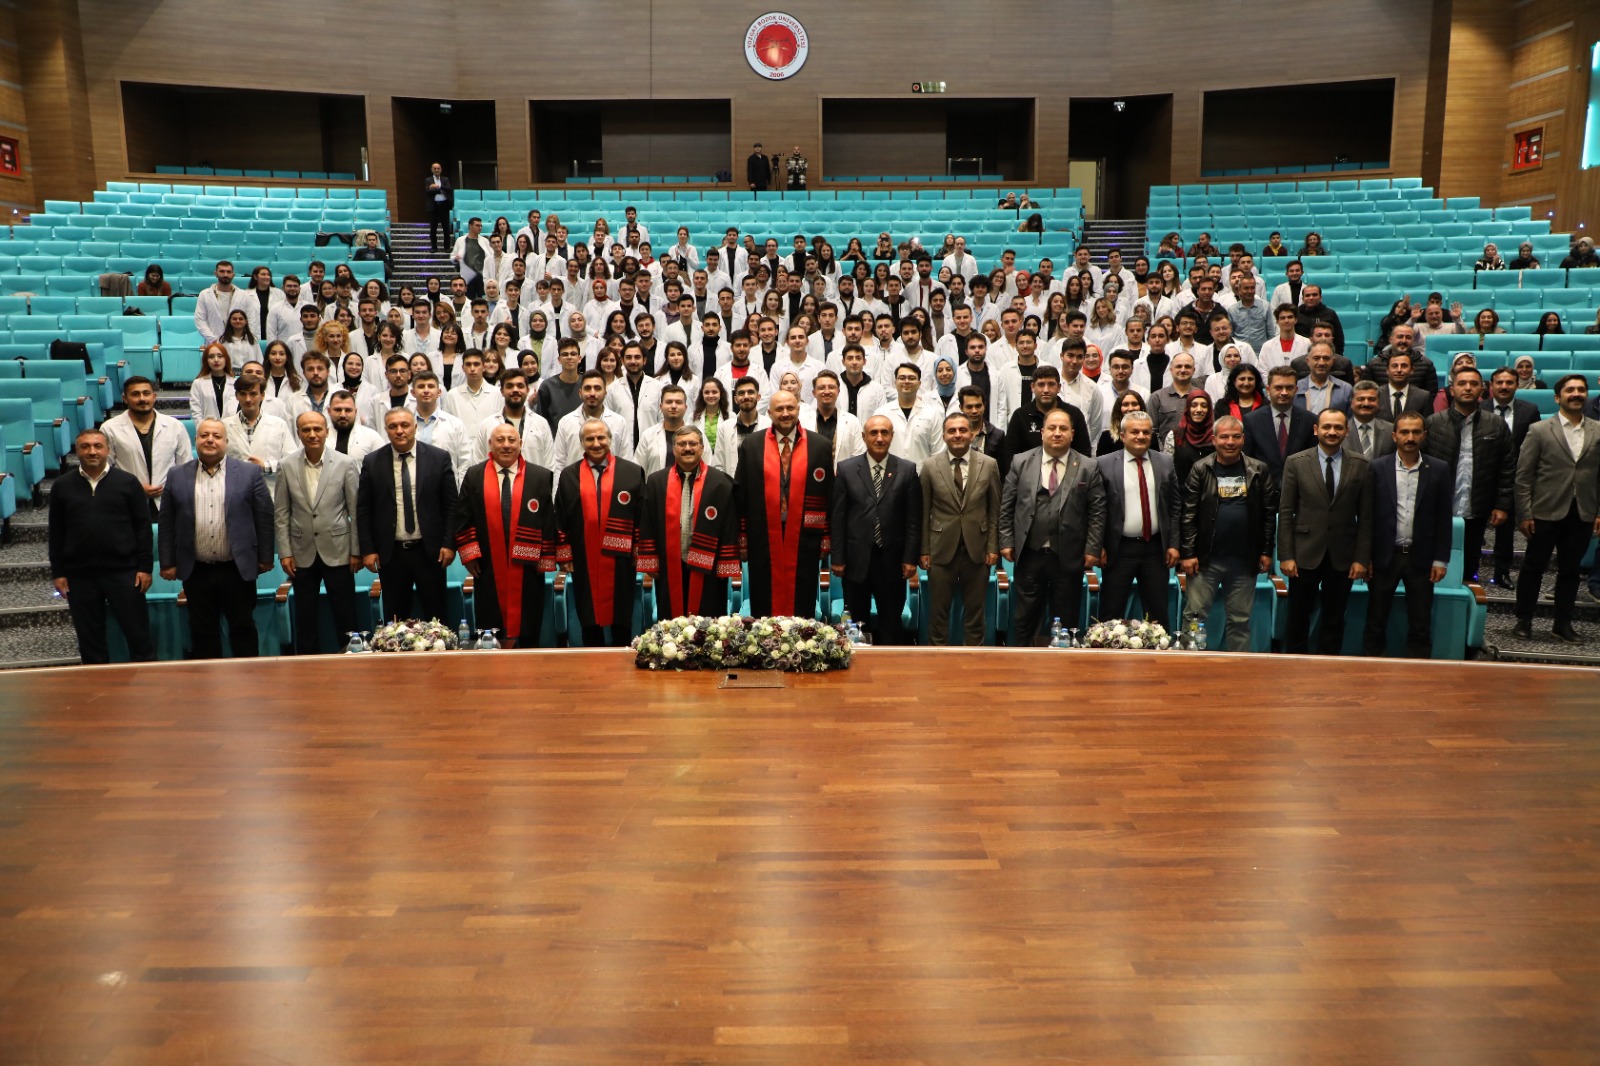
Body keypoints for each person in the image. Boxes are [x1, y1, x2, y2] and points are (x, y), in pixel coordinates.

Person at [157, 418, 275, 659]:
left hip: (236, 568)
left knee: (242, 627)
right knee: (203, 632)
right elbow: (167, 522)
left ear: (226, 442)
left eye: (216, 436)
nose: (210, 440)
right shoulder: (177, 475)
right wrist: (167, 562)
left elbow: (264, 517)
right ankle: (209, 679)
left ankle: (250, 676)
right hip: (196, 569)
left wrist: (265, 557)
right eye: (204, 435)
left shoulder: (248, 473)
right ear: (196, 440)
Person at [1000, 407, 1104, 644]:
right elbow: (1007, 505)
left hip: (1069, 555)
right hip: (1030, 553)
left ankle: (1063, 663)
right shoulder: (1021, 462)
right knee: (1024, 619)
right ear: (1042, 432)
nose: (1057, 433)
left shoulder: (1088, 466)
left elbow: (1097, 511)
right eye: (1052, 428)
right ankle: (1022, 661)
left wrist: (1092, 549)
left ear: (1072, 434)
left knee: (1066, 621)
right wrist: (1006, 540)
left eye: (1063, 428)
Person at [49, 429, 154, 664]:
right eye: (85, 446)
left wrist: (145, 567)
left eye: (97, 446)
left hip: (124, 573)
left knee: (139, 637)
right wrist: (59, 572)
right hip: (80, 576)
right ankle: (95, 684)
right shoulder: (62, 486)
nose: (92, 451)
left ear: (107, 450)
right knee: (90, 642)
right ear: (77, 451)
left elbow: (142, 527)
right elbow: (56, 532)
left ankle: (148, 681)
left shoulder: (128, 482)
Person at [1278, 409, 1374, 655]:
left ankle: (1329, 664)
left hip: (1342, 555)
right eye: (1327, 427)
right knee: (1298, 616)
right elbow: (1286, 512)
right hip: (1304, 553)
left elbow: (1366, 517)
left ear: (1347, 431)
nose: (1332, 432)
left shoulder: (1361, 465)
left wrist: (1361, 559)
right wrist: (1285, 555)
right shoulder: (1296, 462)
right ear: (1316, 430)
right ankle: (1295, 663)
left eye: (1338, 427)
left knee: (1334, 617)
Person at [1513, 374, 1600, 643]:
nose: (1576, 394)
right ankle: (1524, 620)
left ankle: (1562, 624)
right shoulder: (1539, 430)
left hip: (1582, 511)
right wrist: (1524, 513)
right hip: (1544, 511)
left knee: (1571, 571)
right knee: (1533, 568)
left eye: (1581, 389)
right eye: (1570, 390)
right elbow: (1523, 476)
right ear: (1557, 397)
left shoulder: (1598, 430)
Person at [1178, 415, 1277, 652]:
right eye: (1224, 437)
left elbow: (1268, 514)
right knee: (1195, 617)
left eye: (1235, 437)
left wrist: (1266, 551)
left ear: (1243, 439)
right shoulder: (1201, 469)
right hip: (1206, 560)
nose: (1230, 442)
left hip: (1244, 559)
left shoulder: (1258, 470)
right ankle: (1190, 663)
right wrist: (1188, 553)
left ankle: (1239, 667)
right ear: (1214, 440)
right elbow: (1188, 514)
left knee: (1240, 620)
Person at [453, 423, 556, 647]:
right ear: (490, 444)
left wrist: (545, 559)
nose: (506, 445)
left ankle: (529, 662)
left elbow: (548, 520)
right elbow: (463, 517)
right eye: (500, 440)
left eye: (511, 440)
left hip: (528, 565)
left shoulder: (540, 476)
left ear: (521, 443)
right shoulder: (474, 475)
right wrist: (470, 556)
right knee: (491, 624)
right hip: (488, 562)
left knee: (529, 621)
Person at [734, 390, 833, 618]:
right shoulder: (752, 445)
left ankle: (801, 640)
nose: (785, 413)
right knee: (764, 596)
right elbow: (742, 494)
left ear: (799, 409)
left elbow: (829, 495)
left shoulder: (820, 445)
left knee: (803, 596)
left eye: (790, 408)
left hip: (806, 536)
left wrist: (826, 536)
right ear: (769, 413)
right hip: (762, 536)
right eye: (779, 409)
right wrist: (742, 537)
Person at [358, 408, 459, 623]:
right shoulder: (372, 462)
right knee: (396, 620)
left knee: (437, 618)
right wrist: (367, 549)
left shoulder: (438, 458)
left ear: (415, 427)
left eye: (404, 425)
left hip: (430, 552)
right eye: (393, 426)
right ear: (386, 430)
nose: (399, 431)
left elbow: (451, 505)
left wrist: (449, 543)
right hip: (391, 554)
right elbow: (364, 510)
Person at [1366, 412, 1453, 658]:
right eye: (1404, 432)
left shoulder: (1438, 469)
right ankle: (1371, 669)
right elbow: (1368, 517)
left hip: (1421, 558)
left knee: (1420, 623)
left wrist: (1440, 559)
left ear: (1425, 435)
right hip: (1384, 557)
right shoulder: (1377, 467)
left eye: (1416, 432)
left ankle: (1418, 672)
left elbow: (1443, 518)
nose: (1410, 437)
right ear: (1394, 436)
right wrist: (1365, 557)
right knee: (1375, 621)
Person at [831, 414, 922, 645]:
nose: (879, 438)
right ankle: (854, 663)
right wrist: (838, 558)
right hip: (855, 561)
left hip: (893, 561)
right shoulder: (846, 469)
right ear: (864, 437)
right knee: (855, 626)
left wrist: (910, 558)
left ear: (892, 436)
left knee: (891, 624)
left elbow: (913, 520)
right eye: (873, 433)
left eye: (884, 433)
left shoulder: (907, 470)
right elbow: (838, 518)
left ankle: (891, 666)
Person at [555, 419, 647, 647]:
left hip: (621, 559)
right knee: (588, 617)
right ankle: (591, 658)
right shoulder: (569, 475)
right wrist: (564, 556)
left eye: (601, 438)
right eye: (590, 439)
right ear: (581, 443)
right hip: (583, 557)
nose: (596, 443)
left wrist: (638, 552)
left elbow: (641, 517)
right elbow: (560, 518)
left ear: (610, 440)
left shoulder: (632, 472)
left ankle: (622, 656)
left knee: (621, 616)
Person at [274, 411, 360, 655]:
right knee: (305, 615)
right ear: (298, 434)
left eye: (317, 429)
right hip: (301, 552)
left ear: (327, 432)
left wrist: (356, 550)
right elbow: (281, 513)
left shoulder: (345, 463)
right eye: (306, 430)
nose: (312, 434)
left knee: (345, 613)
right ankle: (307, 663)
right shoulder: (286, 465)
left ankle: (352, 660)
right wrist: (285, 552)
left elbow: (355, 511)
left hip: (339, 550)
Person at [637, 426, 742, 620]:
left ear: (702, 448)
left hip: (709, 568)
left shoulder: (721, 483)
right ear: (674, 449)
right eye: (682, 444)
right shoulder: (656, 481)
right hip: (669, 564)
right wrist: (651, 562)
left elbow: (729, 526)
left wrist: (725, 564)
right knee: (671, 622)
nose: (687, 448)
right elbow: (647, 523)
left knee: (708, 623)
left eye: (693, 443)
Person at [1422, 365, 1513, 583]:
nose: (1468, 388)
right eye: (1462, 383)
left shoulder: (1496, 424)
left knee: (1469, 565)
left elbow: (1507, 467)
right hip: (1439, 508)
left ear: (1482, 390)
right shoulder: (1433, 423)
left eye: (1473, 384)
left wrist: (1502, 505)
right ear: (1452, 390)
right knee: (1431, 564)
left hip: (1477, 506)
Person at [919, 411, 1001, 645]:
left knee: (975, 615)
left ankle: (973, 660)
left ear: (972, 434)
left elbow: (995, 510)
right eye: (952, 431)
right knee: (938, 614)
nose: (957, 435)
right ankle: (938, 660)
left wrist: (993, 546)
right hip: (940, 550)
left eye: (963, 430)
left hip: (978, 550)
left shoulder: (989, 465)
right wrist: (924, 550)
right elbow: (923, 512)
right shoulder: (930, 466)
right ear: (944, 435)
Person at [1094, 411, 1179, 627]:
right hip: (1118, 549)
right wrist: (1098, 546)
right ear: (1123, 435)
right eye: (1135, 432)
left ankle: (1159, 649)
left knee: (1158, 614)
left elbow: (1175, 506)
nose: (1141, 436)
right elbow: (1097, 510)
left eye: (1145, 432)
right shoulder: (1103, 464)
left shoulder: (1165, 462)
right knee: (1110, 613)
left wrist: (1174, 544)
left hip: (1155, 549)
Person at [102, 376, 193, 518]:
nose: (142, 399)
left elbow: (185, 466)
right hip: (126, 501)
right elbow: (104, 469)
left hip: (167, 501)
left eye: (146, 393)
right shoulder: (110, 428)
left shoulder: (175, 426)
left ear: (154, 396)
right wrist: (134, 488)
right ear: (125, 398)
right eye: (135, 394)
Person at [1484, 367, 1541, 589]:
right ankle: (1468, 571)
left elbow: (1535, 446)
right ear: (1491, 386)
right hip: (1482, 477)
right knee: (1474, 529)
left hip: (1514, 478)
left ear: (1517, 385)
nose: (1504, 386)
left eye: (1509, 382)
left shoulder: (1529, 410)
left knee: (1506, 530)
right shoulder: (1480, 408)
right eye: (1499, 382)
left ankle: (1502, 572)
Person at [1243, 366, 1316, 485]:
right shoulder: (1251, 421)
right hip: (1263, 488)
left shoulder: (1310, 420)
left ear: (1296, 389)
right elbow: (1247, 460)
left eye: (1289, 387)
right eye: (1278, 388)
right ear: (1268, 389)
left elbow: (1313, 460)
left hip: (1300, 488)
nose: (1284, 392)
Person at [193, 261, 252, 344]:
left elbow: (250, 319)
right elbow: (200, 320)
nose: (225, 275)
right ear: (215, 274)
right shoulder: (204, 294)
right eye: (222, 271)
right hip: (213, 343)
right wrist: (213, 340)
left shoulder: (244, 295)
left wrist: (242, 339)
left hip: (239, 343)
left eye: (228, 272)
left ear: (233, 275)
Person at [426, 162, 453, 252]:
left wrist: (437, 187)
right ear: (432, 170)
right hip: (434, 206)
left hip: (444, 205)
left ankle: (447, 247)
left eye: (438, 168)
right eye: (435, 168)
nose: (436, 170)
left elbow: (449, 189)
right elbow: (427, 191)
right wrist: (438, 189)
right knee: (433, 228)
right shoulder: (428, 180)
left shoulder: (445, 179)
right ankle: (434, 247)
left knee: (446, 228)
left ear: (441, 170)